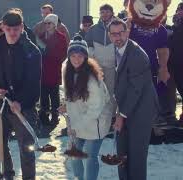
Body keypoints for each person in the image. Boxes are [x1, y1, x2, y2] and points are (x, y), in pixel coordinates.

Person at [0, 9, 41, 180]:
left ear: (22, 27)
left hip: (23, 107)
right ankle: (7, 175)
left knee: (26, 148)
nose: (12, 33)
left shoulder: (32, 50)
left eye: (16, 29)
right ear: (3, 27)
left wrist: (21, 102)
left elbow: (34, 83)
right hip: (1, 104)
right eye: (8, 29)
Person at [108, 19, 159, 180]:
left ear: (127, 32)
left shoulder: (136, 54)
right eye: (114, 34)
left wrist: (121, 115)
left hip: (141, 111)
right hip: (127, 108)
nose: (118, 37)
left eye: (120, 33)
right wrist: (120, 112)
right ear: (109, 36)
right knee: (122, 154)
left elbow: (135, 89)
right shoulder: (118, 50)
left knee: (136, 157)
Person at [58, 36, 112, 180]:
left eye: (80, 56)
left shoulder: (92, 79)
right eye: (73, 56)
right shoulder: (68, 72)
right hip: (78, 121)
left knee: (89, 156)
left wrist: (77, 125)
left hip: (96, 122)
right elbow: (70, 96)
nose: (76, 59)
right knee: (75, 155)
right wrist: (65, 106)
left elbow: (96, 107)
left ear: (86, 57)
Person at [85, 4, 117, 123]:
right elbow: (87, 43)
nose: (104, 14)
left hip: (112, 66)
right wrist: (92, 54)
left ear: (112, 12)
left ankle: (111, 118)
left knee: (110, 91)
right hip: (97, 66)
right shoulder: (93, 29)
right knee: (97, 91)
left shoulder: (117, 26)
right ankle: (100, 117)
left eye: (107, 12)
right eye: (102, 12)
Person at [38, 14, 68, 125]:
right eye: (45, 23)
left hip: (54, 70)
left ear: (54, 24)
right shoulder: (41, 36)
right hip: (43, 70)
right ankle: (44, 117)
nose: (47, 25)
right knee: (43, 96)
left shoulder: (61, 37)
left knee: (54, 96)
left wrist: (53, 57)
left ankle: (55, 117)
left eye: (49, 23)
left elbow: (64, 53)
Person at [168, 2, 183, 125]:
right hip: (175, 65)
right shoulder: (175, 26)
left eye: (181, 9)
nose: (179, 11)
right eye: (178, 9)